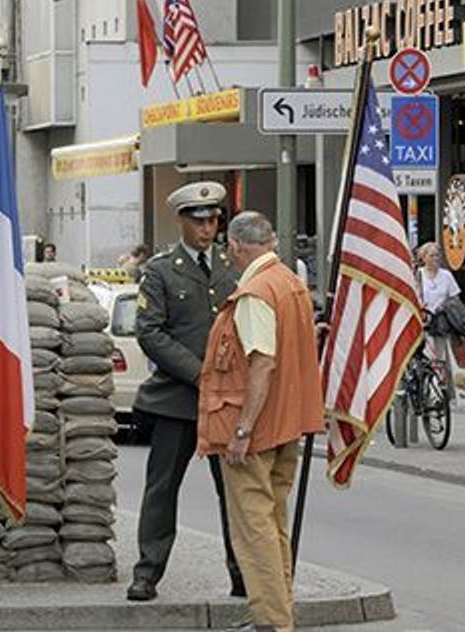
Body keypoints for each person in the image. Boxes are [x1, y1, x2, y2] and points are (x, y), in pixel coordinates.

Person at [197, 212, 324, 632]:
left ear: (235, 246)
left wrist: (242, 429)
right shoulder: (290, 282)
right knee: (273, 524)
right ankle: (278, 612)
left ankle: (271, 622)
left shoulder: (255, 292)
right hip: (289, 423)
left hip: (258, 430)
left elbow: (262, 363)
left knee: (254, 532)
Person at [128, 181, 245, 602]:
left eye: (214, 220)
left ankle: (241, 573)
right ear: (181, 221)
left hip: (226, 402)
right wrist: (200, 374)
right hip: (177, 400)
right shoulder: (161, 270)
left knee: (233, 494)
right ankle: (147, 573)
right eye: (199, 221)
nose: (208, 228)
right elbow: (150, 332)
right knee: (162, 490)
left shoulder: (234, 267)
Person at [415, 242, 463, 400]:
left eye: (437, 255)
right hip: (423, 323)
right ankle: (423, 389)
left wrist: (444, 306)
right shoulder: (418, 275)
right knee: (425, 359)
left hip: (441, 323)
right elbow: (414, 296)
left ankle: (436, 394)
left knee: (439, 359)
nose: (436, 258)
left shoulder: (446, 276)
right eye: (432, 255)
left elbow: (454, 297)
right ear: (423, 258)